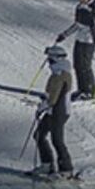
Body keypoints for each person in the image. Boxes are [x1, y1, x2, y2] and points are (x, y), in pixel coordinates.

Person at [54, 0, 95, 100]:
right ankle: (81, 90)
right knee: (77, 65)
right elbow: (77, 25)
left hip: (89, 41)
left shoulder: (94, 8)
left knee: (85, 66)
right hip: (80, 39)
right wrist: (64, 35)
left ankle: (90, 91)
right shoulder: (79, 7)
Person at [31, 43, 76, 179]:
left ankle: (66, 170)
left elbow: (53, 98)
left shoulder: (60, 74)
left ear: (57, 59)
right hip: (53, 111)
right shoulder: (59, 72)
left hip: (59, 111)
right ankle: (47, 165)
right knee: (39, 135)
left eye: (50, 59)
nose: (48, 62)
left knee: (57, 140)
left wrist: (42, 107)